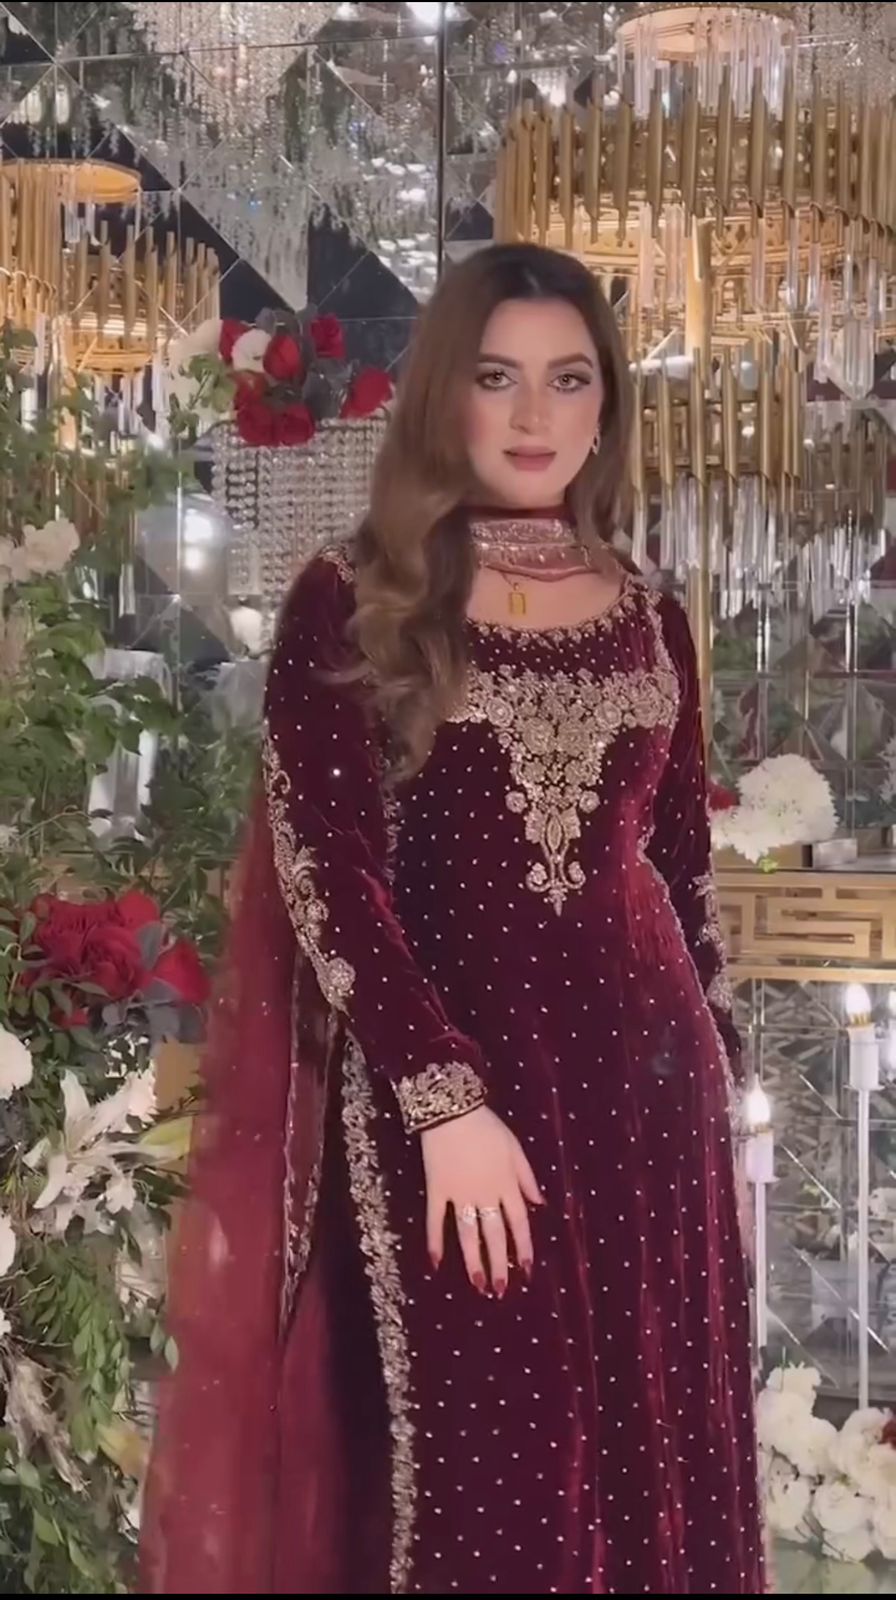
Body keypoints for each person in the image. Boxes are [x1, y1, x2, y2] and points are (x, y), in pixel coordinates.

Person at [141, 243, 764, 1596]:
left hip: (652, 1107)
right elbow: (332, 874)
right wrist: (442, 1102)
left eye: (568, 379)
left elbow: (680, 872)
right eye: (497, 378)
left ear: (607, 405)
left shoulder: (652, 615)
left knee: (658, 1469)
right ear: (444, 395)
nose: (535, 415)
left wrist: (725, 1072)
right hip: (463, 1106)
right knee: (499, 1483)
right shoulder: (359, 596)